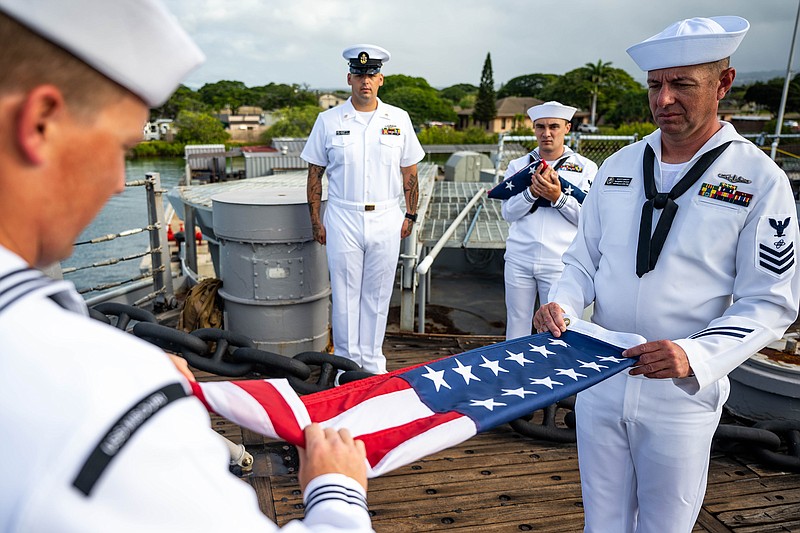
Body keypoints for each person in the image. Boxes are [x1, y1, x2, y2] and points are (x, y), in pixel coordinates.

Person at [0, 1, 372, 531]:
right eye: (120, 147)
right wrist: (336, 493)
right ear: (39, 123)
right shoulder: (99, 396)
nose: (114, 181)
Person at [534, 16, 800, 532]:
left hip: (681, 391)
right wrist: (562, 304)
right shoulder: (618, 167)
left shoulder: (758, 180)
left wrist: (694, 355)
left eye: (682, 84)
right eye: (656, 85)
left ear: (723, 84)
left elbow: (770, 300)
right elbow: (582, 262)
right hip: (600, 375)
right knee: (602, 521)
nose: (664, 100)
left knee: (666, 525)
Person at [302, 44, 425, 374]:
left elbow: (409, 173)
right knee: (344, 295)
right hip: (343, 215)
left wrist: (410, 215)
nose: (365, 81)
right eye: (359, 75)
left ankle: (372, 364)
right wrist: (316, 220)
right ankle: (345, 366)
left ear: (380, 79)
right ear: (349, 79)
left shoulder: (398, 119)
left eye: (371, 75)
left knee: (378, 293)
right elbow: (315, 174)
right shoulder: (328, 121)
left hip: (387, 214)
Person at [501, 101, 597, 340]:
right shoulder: (519, 165)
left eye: (554, 126)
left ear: (567, 127)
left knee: (557, 329)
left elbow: (588, 219)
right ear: (533, 129)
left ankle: (551, 375)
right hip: (519, 258)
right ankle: (514, 375)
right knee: (517, 323)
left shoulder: (586, 167)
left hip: (560, 261)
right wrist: (530, 193)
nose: (547, 133)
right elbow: (508, 213)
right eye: (540, 127)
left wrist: (557, 198)